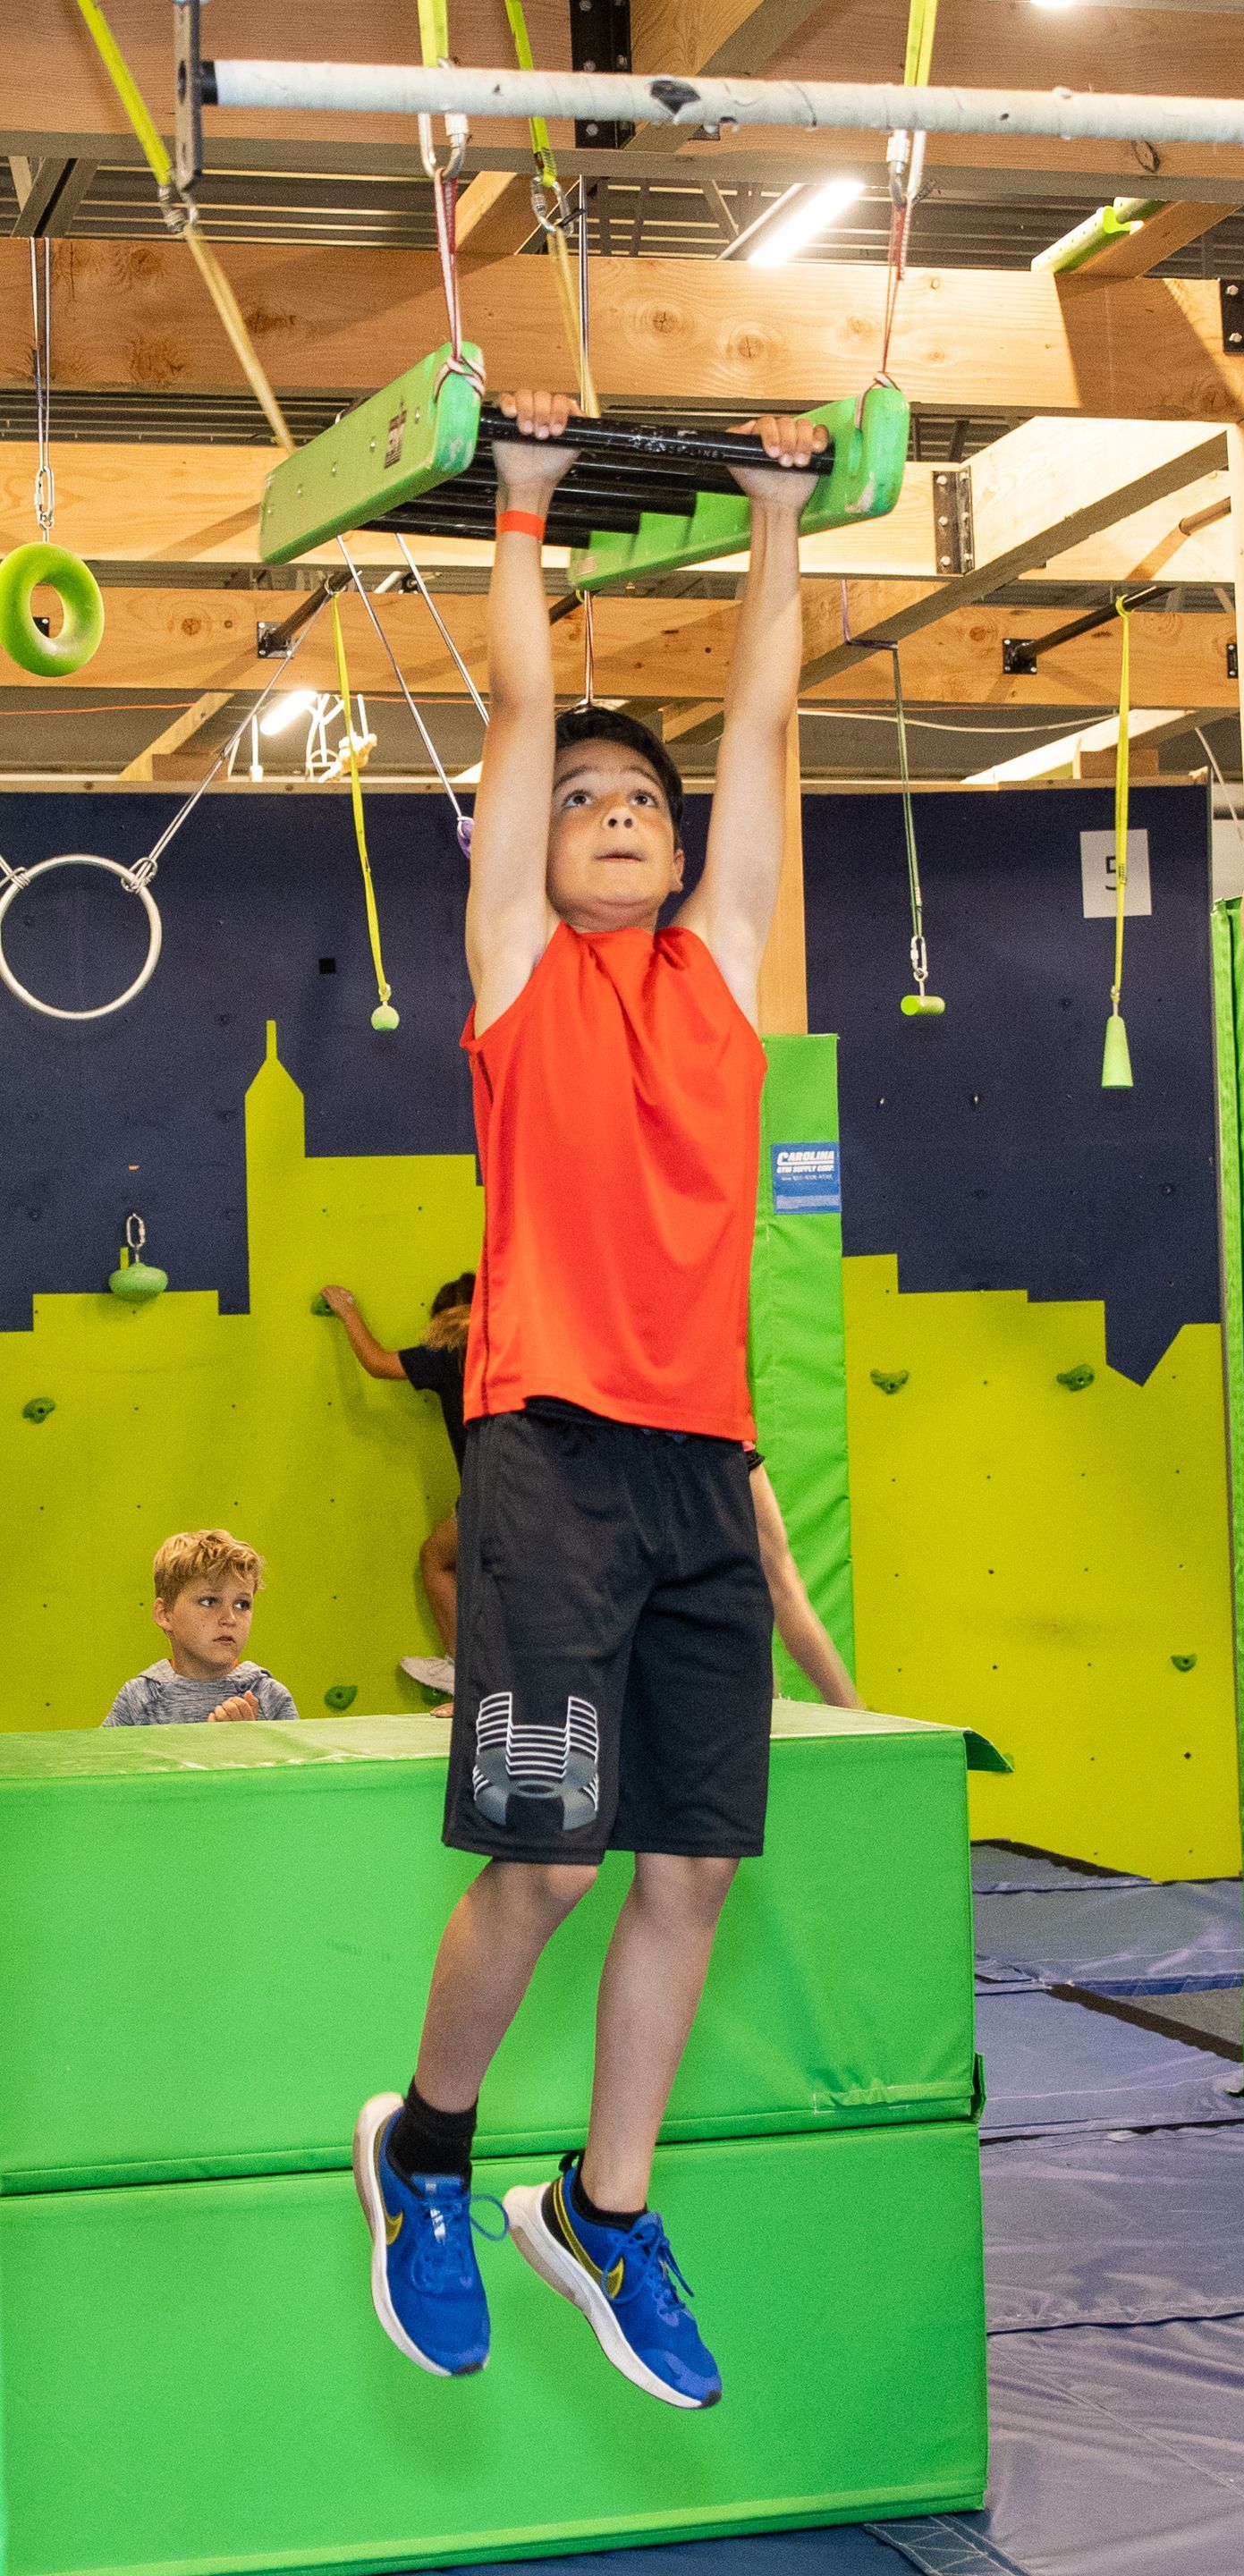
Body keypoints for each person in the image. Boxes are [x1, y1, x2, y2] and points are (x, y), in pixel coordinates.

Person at [353, 389, 827, 2402]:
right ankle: (432, 2157)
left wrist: (779, 520)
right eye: (585, 801)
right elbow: (527, 732)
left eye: (648, 800)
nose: (623, 804)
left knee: (694, 1864)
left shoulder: (721, 975)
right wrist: (526, 511)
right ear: (524, 859)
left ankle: (605, 2214)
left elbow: (759, 737)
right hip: (546, 1461)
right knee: (546, 1857)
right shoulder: (519, 982)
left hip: (702, 1473)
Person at [320, 1274, 474, 1696]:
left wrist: (347, 1310)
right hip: (548, 1491)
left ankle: (464, 1669)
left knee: (437, 1561)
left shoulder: (450, 1353)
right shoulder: (518, 1350)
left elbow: (377, 1362)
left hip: (489, 1494)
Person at [103, 1530, 299, 1726]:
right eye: (209, 1601)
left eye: (242, 1604)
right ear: (164, 1614)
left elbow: (300, 1759)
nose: (229, 1618)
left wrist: (248, 1744)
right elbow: (105, 1758)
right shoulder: (138, 1699)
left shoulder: (270, 1697)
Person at [748, 1451, 862, 1709]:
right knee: (780, 1583)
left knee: (774, 1583)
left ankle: (844, 1709)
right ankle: (846, 1708)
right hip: (714, 1445)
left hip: (717, 1443)